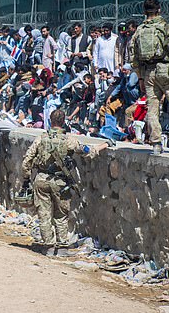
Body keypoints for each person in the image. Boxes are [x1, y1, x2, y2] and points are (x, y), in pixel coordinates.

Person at [21, 109, 108, 256]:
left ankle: (48, 246)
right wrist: (103, 145)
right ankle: (61, 247)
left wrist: (26, 179)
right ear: (63, 122)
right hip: (61, 182)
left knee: (44, 214)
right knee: (61, 215)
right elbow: (87, 151)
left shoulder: (41, 138)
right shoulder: (69, 140)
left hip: (41, 179)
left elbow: (27, 161)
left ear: (50, 120)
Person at [131, 0, 169, 155]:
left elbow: (134, 57)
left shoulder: (139, 30)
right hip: (165, 71)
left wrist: (140, 78)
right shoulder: (165, 27)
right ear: (159, 10)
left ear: (144, 12)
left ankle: (156, 144)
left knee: (152, 109)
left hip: (148, 72)